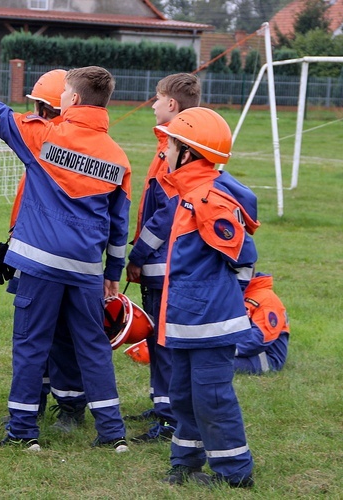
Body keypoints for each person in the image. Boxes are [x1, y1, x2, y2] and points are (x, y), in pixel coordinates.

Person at [0, 66, 131, 452]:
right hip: (88, 271)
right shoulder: (118, 158)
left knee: (30, 345)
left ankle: (23, 431)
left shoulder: (44, 136)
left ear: (71, 99)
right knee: (93, 348)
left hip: (40, 267)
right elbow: (119, 226)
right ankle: (112, 433)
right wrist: (113, 273)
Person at [154, 107, 259, 488]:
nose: (163, 151)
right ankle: (185, 462)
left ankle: (235, 474)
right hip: (186, 320)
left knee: (212, 398)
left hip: (210, 325)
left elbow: (244, 257)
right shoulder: (188, 193)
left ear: (188, 153)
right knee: (182, 396)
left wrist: (228, 302)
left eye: (169, 144)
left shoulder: (208, 200)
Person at [0, 69, 88, 433]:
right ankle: (35, 403)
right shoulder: (42, 151)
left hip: (61, 265)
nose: (35, 116)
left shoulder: (62, 152)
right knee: (34, 335)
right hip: (34, 256)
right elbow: (32, 210)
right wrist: (12, 248)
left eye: (41, 109)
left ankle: (71, 406)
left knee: (62, 336)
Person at [125, 73, 201, 443]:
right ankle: (161, 405)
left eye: (156, 98)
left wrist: (137, 252)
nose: (151, 104)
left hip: (165, 264)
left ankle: (171, 418)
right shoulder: (170, 145)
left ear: (172, 104)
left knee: (165, 341)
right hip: (160, 264)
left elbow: (168, 211)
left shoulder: (180, 147)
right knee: (157, 339)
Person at [235, 271, 290, 374]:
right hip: (241, 351)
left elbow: (259, 339)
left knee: (213, 365)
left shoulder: (267, 300)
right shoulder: (238, 292)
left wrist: (225, 350)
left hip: (265, 358)